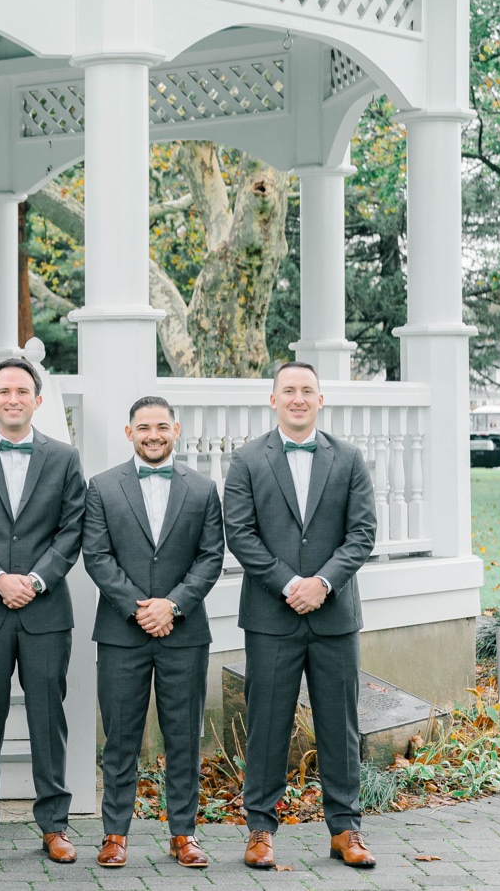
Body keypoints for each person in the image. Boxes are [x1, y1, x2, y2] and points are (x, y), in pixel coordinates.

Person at [224, 361, 377, 869]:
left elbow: (361, 533)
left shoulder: (350, 458)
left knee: (341, 725)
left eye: (306, 390)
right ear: (273, 400)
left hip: (334, 617)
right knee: (267, 725)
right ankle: (260, 830)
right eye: (288, 390)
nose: (297, 398)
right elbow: (240, 534)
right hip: (272, 616)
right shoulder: (246, 460)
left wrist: (322, 584)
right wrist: (291, 584)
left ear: (320, 399)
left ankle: (346, 829)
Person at [0, 357, 85, 865]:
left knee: (48, 718)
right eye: (3, 391)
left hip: (46, 610)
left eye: (22, 391)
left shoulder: (64, 458)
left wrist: (33, 580)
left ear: (37, 399)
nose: (12, 398)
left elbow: (72, 530)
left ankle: (54, 825)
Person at [81, 396, 223, 869]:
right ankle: (115, 834)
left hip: (184, 633)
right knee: (120, 739)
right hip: (123, 632)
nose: (153, 434)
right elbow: (97, 556)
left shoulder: (203, 489)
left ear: (176, 430)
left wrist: (173, 605)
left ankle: (183, 834)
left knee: (183, 737)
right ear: (129, 433)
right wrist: (139, 608)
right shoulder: (101, 487)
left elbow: (211, 557)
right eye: (144, 427)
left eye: (161, 425)